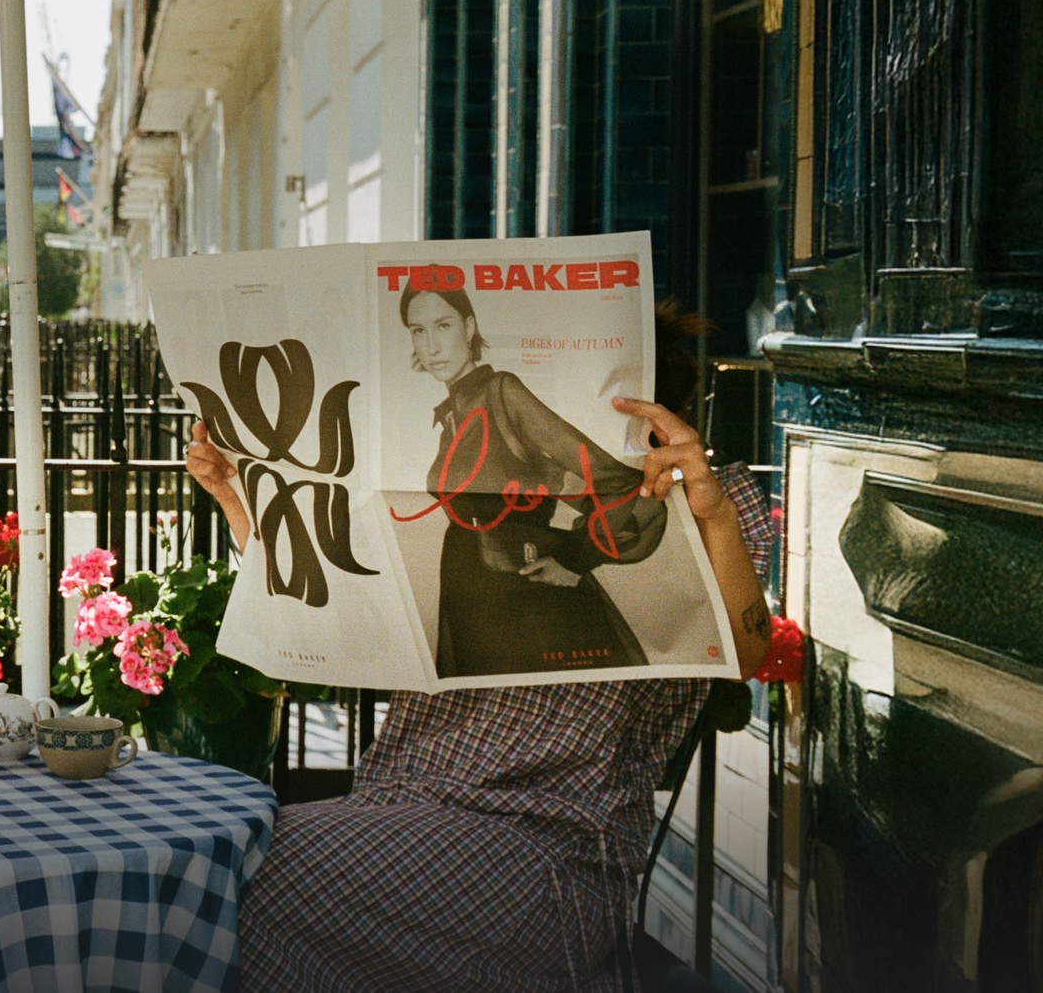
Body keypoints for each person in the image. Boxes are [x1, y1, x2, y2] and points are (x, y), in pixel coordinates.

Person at [185, 305, 774, 992]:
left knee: (239, 879)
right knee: (211, 863)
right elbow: (335, 616)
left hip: (551, 840)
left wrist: (712, 516)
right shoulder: (467, 420)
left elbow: (744, 655)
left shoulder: (713, 497)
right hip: (400, 803)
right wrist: (235, 497)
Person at [397, 285, 668, 677]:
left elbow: (618, 483)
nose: (432, 346)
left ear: (469, 327)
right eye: (418, 331)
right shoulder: (453, 412)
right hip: (471, 592)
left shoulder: (502, 393)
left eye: (443, 325)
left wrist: (575, 560)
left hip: (525, 601)